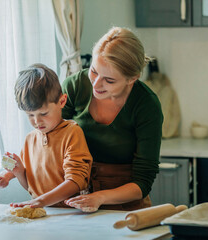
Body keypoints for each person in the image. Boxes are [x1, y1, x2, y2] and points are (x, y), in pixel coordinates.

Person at [62, 27, 163, 211]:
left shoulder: (147, 105)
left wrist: (99, 197)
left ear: (132, 78)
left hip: (126, 206)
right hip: (75, 200)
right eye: (93, 71)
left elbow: (143, 182)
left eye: (109, 80)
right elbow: (50, 142)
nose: (96, 83)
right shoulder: (74, 86)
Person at [0, 64, 93, 208]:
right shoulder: (30, 139)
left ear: (62, 101)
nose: (37, 121)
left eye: (43, 113)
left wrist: (40, 201)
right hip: (44, 211)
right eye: (30, 115)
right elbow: (28, 182)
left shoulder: (72, 133)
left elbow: (76, 182)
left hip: (73, 213)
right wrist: (6, 176)